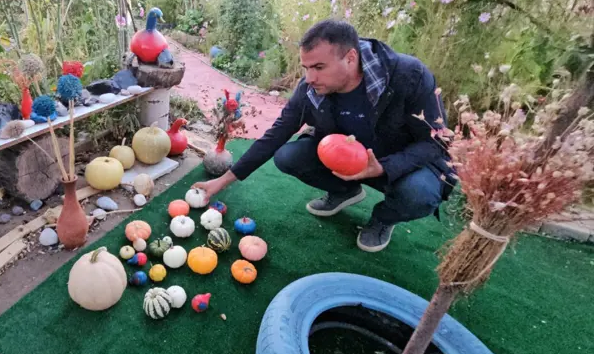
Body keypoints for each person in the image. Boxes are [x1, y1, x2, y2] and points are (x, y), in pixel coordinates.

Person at [192, 20, 452, 253]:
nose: (309, 78)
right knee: (288, 156)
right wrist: (224, 180)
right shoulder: (311, 88)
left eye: (318, 67)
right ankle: (344, 190)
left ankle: (383, 219)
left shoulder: (409, 75)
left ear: (350, 57)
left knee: (420, 193)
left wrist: (384, 167)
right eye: (306, 67)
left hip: (399, 164)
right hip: (346, 160)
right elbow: (276, 134)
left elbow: (437, 140)